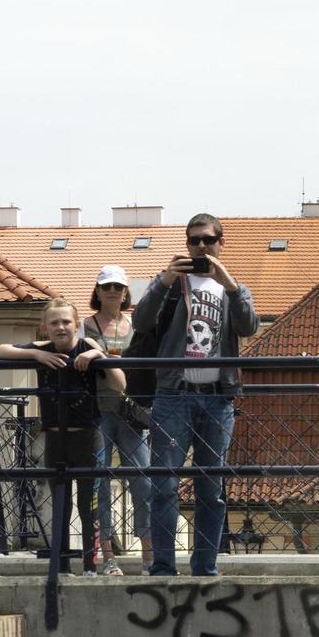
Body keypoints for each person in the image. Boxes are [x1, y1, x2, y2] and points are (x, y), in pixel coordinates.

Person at [135, 214, 258, 577]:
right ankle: (162, 567)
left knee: (211, 489)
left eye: (208, 240)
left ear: (221, 243)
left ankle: (205, 566)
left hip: (218, 398)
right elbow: (141, 322)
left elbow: (249, 324)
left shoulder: (234, 288)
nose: (201, 247)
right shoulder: (172, 285)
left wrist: (230, 284)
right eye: (194, 241)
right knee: (164, 486)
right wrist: (163, 280)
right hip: (173, 395)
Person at [0, 299, 125, 576]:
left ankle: (90, 567)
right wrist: (36, 356)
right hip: (55, 439)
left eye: (66, 322)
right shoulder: (43, 349)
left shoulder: (88, 347)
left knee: (90, 507)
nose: (61, 327)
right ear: (45, 327)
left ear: (76, 324)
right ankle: (61, 567)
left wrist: (99, 356)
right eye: (54, 323)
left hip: (88, 438)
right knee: (61, 505)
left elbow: (120, 384)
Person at [81, 264, 148, 575]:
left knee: (144, 477)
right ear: (97, 291)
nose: (112, 291)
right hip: (98, 411)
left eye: (118, 287)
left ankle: (150, 552)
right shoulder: (86, 325)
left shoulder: (136, 325)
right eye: (106, 286)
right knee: (100, 483)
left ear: (125, 293)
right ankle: (107, 555)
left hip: (131, 411)